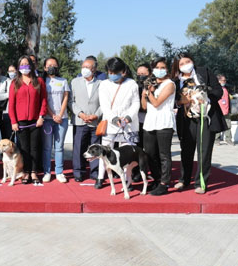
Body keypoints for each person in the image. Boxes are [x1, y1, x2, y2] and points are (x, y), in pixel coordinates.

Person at [172, 52, 227, 194]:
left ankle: (201, 182)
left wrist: (205, 94)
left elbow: (218, 91)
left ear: (193, 61)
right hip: (186, 120)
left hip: (206, 117)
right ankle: (184, 179)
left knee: (204, 151)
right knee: (186, 151)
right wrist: (181, 101)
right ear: (177, 67)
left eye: (188, 61)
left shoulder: (204, 72)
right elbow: (173, 102)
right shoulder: (175, 81)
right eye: (182, 64)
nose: (185, 65)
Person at [96, 57, 140, 189]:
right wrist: (115, 119)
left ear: (123, 71)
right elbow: (104, 106)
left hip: (129, 125)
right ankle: (100, 178)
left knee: (127, 154)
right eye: (110, 72)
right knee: (103, 152)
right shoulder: (104, 84)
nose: (112, 75)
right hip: (110, 124)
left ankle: (128, 180)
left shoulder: (132, 84)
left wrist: (127, 117)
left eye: (115, 72)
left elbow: (136, 103)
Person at [8, 55, 47, 184]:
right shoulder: (15, 83)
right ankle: (25, 172)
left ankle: (34, 172)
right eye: (22, 64)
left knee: (35, 148)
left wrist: (41, 116)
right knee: (24, 148)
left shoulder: (39, 81)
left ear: (31, 65)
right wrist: (13, 121)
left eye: (27, 64)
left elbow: (43, 100)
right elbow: (11, 104)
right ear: (18, 67)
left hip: (36, 121)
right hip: (21, 122)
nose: (25, 67)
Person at [141, 57, 176, 196]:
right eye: (157, 67)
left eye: (163, 67)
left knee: (164, 154)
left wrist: (149, 91)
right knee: (150, 153)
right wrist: (144, 94)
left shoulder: (170, 84)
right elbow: (144, 106)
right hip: (150, 122)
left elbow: (156, 103)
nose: (160, 70)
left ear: (167, 69)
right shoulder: (152, 83)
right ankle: (156, 179)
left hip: (164, 122)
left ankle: (164, 183)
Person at [70, 56, 102, 182]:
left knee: (96, 148)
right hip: (80, 120)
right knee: (79, 147)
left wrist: (96, 114)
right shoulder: (74, 82)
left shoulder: (101, 84)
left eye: (87, 67)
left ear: (94, 69)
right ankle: (78, 172)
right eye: (83, 67)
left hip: (95, 121)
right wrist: (80, 114)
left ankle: (95, 172)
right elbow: (71, 102)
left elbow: (104, 103)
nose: (84, 69)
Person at [41, 57, 70, 183]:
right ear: (45, 68)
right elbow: (43, 101)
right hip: (47, 118)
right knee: (47, 147)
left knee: (59, 147)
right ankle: (47, 171)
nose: (51, 67)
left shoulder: (63, 81)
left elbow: (65, 98)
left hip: (62, 119)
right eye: (49, 65)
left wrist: (60, 114)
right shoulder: (42, 81)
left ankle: (59, 172)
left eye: (54, 65)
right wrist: (52, 115)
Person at [0, 64, 16, 141]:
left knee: (8, 135)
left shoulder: (7, 80)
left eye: (13, 71)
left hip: (5, 111)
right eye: (10, 71)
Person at [216, 74, 234, 146]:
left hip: (226, 111)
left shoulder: (226, 88)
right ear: (219, 81)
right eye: (223, 80)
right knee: (217, 125)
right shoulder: (216, 89)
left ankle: (228, 139)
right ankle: (216, 139)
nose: (225, 81)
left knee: (228, 125)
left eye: (225, 80)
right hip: (218, 110)